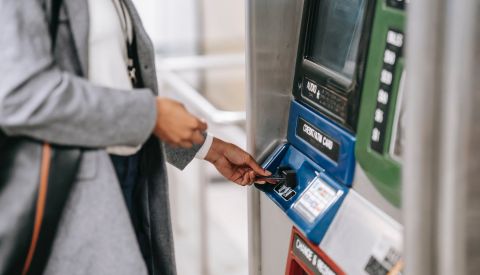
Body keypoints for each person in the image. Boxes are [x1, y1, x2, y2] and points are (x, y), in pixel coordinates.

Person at [0, 0, 271, 274]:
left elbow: (113, 84)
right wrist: (152, 114)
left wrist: (208, 148)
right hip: (75, 195)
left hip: (130, 176)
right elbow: (20, 95)